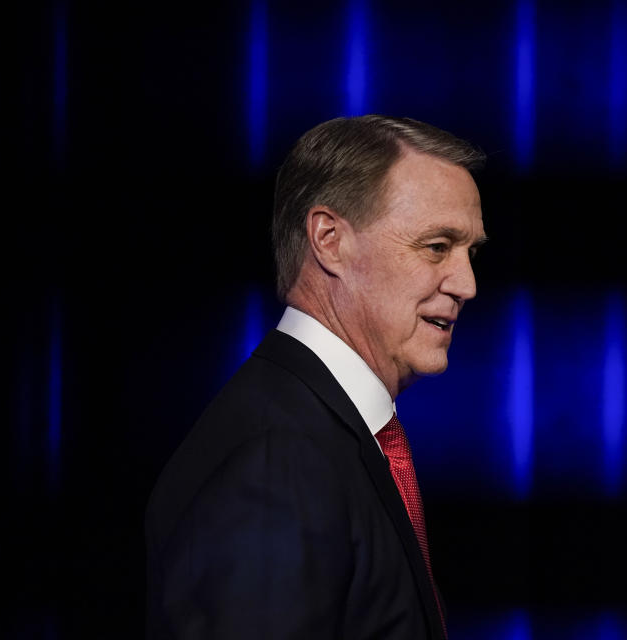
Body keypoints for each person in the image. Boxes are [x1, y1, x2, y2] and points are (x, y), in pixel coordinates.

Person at [145, 115, 486, 639]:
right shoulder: (277, 460)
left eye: (470, 253)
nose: (467, 284)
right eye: (436, 246)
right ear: (329, 239)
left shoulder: (314, 432)